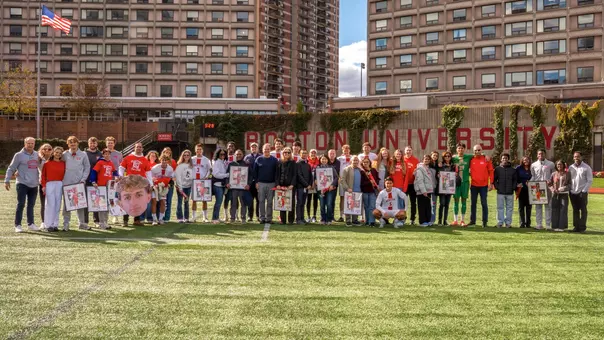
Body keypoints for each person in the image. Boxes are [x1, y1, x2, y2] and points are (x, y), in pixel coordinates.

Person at [5, 137, 41, 232]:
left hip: (34, 184)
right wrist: (7, 180)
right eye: (28, 143)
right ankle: (18, 225)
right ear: (25, 144)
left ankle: (31, 224)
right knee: (21, 204)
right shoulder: (18, 155)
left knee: (31, 205)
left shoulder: (38, 155)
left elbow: (42, 166)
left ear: (34, 144)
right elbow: (11, 168)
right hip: (22, 183)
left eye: (32, 143)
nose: (30, 145)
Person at [119, 142, 153, 226]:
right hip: (129, 183)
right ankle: (125, 220)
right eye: (137, 147)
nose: (138, 148)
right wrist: (121, 177)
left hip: (140, 184)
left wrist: (151, 184)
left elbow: (148, 173)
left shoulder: (145, 160)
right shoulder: (128, 158)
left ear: (142, 149)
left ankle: (136, 220)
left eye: (140, 147)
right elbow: (121, 168)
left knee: (138, 201)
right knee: (127, 201)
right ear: (134, 148)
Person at [62, 136, 91, 231]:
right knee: (67, 205)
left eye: (74, 143)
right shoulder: (64, 154)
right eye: (71, 143)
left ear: (77, 144)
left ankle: (82, 223)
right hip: (66, 184)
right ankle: (66, 224)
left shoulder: (83, 154)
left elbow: (87, 167)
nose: (73, 145)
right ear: (68, 144)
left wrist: (83, 179)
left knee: (80, 204)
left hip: (79, 183)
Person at [90, 148, 118, 230]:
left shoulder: (111, 162)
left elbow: (115, 171)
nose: (107, 155)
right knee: (101, 205)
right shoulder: (100, 162)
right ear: (103, 155)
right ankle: (101, 222)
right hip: (101, 186)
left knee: (107, 205)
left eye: (108, 154)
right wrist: (93, 181)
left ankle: (105, 221)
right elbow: (94, 171)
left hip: (109, 186)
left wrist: (117, 177)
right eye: (105, 154)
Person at [469, 144, 494, 228]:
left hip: (484, 186)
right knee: (473, 203)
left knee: (484, 203)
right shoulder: (471, 159)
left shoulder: (486, 159)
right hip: (473, 185)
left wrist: (491, 183)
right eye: (475, 150)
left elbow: (491, 171)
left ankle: (484, 221)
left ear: (481, 150)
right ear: (473, 151)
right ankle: (472, 221)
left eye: (479, 150)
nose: (477, 152)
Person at [41, 146, 65, 232]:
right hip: (50, 184)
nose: (58, 154)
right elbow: (43, 175)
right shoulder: (47, 163)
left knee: (58, 205)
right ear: (53, 153)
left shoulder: (63, 163)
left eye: (60, 153)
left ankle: (55, 224)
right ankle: (48, 225)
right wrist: (44, 185)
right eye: (56, 152)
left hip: (59, 184)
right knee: (50, 205)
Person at [568, 151, 593, 233]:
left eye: (578, 156)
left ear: (581, 157)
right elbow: (569, 179)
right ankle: (576, 227)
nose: (576, 158)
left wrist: (584, 191)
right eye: (575, 157)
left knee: (583, 210)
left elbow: (589, 181)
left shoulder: (587, 167)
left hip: (582, 192)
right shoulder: (571, 167)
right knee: (575, 210)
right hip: (573, 192)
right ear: (573, 158)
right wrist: (570, 189)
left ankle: (582, 227)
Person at [530, 149, 555, 230]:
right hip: (537, 187)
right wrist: (529, 182)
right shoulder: (533, 165)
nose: (541, 155)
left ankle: (548, 225)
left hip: (547, 187)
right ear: (537, 155)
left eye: (542, 154)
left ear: (545, 154)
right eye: (539, 154)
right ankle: (539, 224)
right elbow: (533, 176)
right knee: (538, 206)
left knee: (548, 206)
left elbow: (554, 175)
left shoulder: (551, 164)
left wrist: (551, 182)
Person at [254, 143, 278, 224]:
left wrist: (276, 183)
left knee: (270, 202)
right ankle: (262, 218)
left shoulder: (274, 160)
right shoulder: (258, 159)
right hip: (261, 183)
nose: (266, 150)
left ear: (270, 150)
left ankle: (269, 218)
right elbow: (255, 172)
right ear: (262, 150)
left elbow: (276, 173)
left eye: (268, 149)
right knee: (261, 201)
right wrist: (256, 182)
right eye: (265, 149)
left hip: (271, 183)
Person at [226, 149, 252, 223]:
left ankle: (243, 218)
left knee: (243, 203)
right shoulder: (231, 164)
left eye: (240, 154)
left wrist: (248, 184)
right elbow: (227, 175)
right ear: (235, 155)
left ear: (243, 155)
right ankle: (232, 218)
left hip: (243, 187)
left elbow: (250, 176)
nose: (238, 156)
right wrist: (227, 183)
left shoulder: (246, 164)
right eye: (237, 154)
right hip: (233, 187)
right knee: (233, 203)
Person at [451, 143, 472, 226]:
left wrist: (485, 156)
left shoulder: (468, 157)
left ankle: (462, 220)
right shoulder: (453, 158)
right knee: (456, 200)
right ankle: (455, 220)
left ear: (464, 149)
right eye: (459, 148)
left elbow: (480, 154)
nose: (460, 150)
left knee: (464, 200)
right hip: (456, 183)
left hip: (465, 182)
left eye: (462, 148)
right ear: (456, 149)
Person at [493, 153, 517, 228]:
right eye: (503, 158)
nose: (504, 160)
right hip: (500, 192)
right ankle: (500, 222)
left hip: (510, 192)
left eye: (506, 158)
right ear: (501, 159)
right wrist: (497, 187)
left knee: (509, 208)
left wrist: (513, 188)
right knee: (500, 207)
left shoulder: (513, 170)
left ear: (508, 159)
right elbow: (494, 180)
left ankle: (508, 223)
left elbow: (515, 180)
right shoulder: (497, 169)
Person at [150, 155, 175, 225]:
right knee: (154, 202)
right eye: (162, 160)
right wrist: (153, 184)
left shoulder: (170, 169)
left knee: (163, 202)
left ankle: (161, 219)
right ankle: (154, 219)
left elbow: (171, 179)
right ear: (160, 160)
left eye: (165, 160)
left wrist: (169, 184)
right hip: (155, 186)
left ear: (167, 161)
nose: (164, 161)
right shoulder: (155, 168)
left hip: (163, 187)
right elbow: (150, 177)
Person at [276, 147, 297, 224]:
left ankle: (291, 220)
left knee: (291, 203)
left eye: (288, 152)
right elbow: (277, 175)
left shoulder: (293, 162)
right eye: (285, 152)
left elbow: (295, 175)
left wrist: (292, 184)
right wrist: (277, 184)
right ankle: (283, 220)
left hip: (290, 186)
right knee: (282, 202)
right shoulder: (279, 162)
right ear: (282, 153)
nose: (286, 154)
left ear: (290, 153)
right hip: (281, 186)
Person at [191, 144, 212, 222]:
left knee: (204, 199)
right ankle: (193, 217)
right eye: (197, 149)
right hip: (194, 181)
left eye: (200, 149)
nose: (199, 151)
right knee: (194, 199)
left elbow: (210, 170)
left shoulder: (206, 160)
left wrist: (206, 177)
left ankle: (205, 217)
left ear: (202, 150)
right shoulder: (192, 159)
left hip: (203, 181)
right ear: (195, 150)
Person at [84, 137, 102, 228]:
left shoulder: (100, 154)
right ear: (88, 144)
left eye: (94, 143)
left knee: (96, 200)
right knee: (85, 201)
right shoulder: (84, 154)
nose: (92, 145)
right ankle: (85, 221)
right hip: (86, 180)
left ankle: (97, 221)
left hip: (96, 181)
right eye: (91, 143)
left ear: (97, 144)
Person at [105, 136, 123, 225]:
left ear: (114, 144)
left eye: (111, 143)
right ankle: (105, 217)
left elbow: (121, 167)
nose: (110, 144)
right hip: (104, 179)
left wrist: (119, 176)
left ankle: (115, 217)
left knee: (115, 198)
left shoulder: (118, 154)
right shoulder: (103, 153)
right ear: (106, 143)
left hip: (115, 180)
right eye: (108, 143)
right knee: (105, 198)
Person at [316, 154, 339, 225]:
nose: (324, 160)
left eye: (325, 159)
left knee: (329, 204)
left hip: (330, 189)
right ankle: (323, 219)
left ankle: (329, 219)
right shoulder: (317, 168)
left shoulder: (331, 168)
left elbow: (336, 177)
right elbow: (315, 178)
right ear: (320, 160)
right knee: (322, 204)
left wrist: (332, 185)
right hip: (321, 190)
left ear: (327, 160)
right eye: (322, 159)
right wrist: (315, 181)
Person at [340, 156, 362, 226]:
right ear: (351, 161)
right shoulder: (346, 169)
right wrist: (347, 188)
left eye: (357, 160)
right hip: (349, 190)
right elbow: (342, 180)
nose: (355, 162)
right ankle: (348, 220)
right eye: (354, 160)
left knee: (356, 205)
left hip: (358, 191)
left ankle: (355, 220)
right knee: (349, 205)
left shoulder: (360, 170)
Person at [550, 160, 571, 232]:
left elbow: (570, 184)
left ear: (563, 165)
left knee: (563, 209)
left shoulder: (568, 174)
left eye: (561, 164)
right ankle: (554, 226)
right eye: (558, 165)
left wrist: (564, 188)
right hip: (555, 194)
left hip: (564, 194)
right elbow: (550, 184)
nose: (559, 166)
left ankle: (562, 227)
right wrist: (553, 189)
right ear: (556, 166)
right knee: (555, 210)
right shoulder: (553, 174)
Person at [437, 151, 456, 226]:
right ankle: (439, 220)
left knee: (447, 204)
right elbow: (437, 174)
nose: (447, 157)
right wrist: (438, 175)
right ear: (443, 157)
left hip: (450, 187)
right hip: (442, 187)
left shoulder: (453, 166)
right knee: (442, 204)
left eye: (449, 156)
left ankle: (445, 220)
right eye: (446, 156)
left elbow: (455, 176)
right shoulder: (440, 165)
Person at [175, 150, 194, 223]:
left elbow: (192, 176)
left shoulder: (191, 165)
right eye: (184, 155)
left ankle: (186, 218)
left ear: (190, 157)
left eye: (188, 155)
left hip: (188, 187)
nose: (186, 156)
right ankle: (180, 218)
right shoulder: (180, 165)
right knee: (179, 202)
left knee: (186, 202)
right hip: (181, 187)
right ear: (182, 156)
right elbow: (178, 177)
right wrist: (180, 188)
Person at [415, 155, 434, 227]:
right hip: (422, 191)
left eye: (428, 159)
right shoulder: (420, 169)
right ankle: (422, 221)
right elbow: (420, 181)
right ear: (422, 160)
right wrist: (423, 191)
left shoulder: (427, 168)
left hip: (428, 190)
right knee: (422, 207)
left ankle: (428, 220)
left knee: (427, 206)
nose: (427, 160)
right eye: (425, 159)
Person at [244, 142, 261, 222]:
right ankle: (250, 216)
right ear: (250, 148)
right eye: (252, 147)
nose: (254, 149)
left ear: (257, 148)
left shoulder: (261, 157)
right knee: (250, 199)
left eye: (255, 147)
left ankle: (258, 215)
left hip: (258, 181)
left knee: (258, 200)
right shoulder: (247, 157)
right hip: (249, 182)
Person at [211, 148, 229, 223]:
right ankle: (214, 218)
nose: (222, 155)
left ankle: (216, 217)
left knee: (219, 201)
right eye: (221, 154)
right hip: (217, 185)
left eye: (224, 154)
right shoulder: (217, 162)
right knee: (218, 202)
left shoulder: (223, 162)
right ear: (218, 154)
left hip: (221, 185)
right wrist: (227, 175)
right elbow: (216, 174)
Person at [360, 157, 380, 227]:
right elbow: (361, 183)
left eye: (367, 162)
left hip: (372, 191)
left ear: (370, 163)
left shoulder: (373, 170)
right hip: (365, 191)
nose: (365, 163)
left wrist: (375, 183)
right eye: (364, 162)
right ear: (362, 163)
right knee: (366, 207)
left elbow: (377, 179)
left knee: (372, 206)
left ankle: (372, 221)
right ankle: (367, 221)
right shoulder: (362, 172)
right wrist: (369, 182)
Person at [403, 146, 419, 225]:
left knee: (413, 202)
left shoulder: (415, 160)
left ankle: (412, 219)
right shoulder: (402, 159)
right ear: (404, 151)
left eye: (409, 150)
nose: (408, 151)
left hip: (413, 184)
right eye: (407, 150)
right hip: (404, 184)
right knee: (404, 202)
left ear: (412, 151)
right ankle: (403, 218)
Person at [295, 150, 313, 225]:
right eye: (303, 153)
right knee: (299, 203)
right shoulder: (298, 164)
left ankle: (302, 218)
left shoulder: (308, 165)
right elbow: (299, 176)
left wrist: (310, 184)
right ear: (300, 154)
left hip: (306, 188)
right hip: (300, 187)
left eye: (306, 153)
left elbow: (310, 176)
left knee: (303, 203)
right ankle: (298, 219)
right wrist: (306, 185)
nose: (304, 154)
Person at [37, 143, 52, 230]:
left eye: (49, 149)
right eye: (45, 149)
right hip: (42, 184)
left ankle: (51, 221)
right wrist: (18, 171)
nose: (47, 150)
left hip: (53, 184)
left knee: (52, 204)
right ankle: (43, 222)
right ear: (41, 150)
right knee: (44, 204)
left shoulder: (55, 158)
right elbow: (28, 165)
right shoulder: (38, 159)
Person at [160, 147, 177, 223]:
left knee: (168, 201)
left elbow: (175, 173)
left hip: (170, 184)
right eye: (165, 151)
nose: (167, 152)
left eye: (168, 151)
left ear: (170, 153)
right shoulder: (159, 161)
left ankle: (166, 218)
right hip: (160, 184)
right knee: (161, 201)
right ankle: (160, 216)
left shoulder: (173, 161)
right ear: (162, 152)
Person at [143, 150, 160, 224]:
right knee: (144, 202)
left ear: (156, 157)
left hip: (155, 185)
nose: (153, 157)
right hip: (145, 185)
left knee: (153, 202)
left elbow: (160, 175)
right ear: (148, 156)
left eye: (154, 156)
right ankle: (142, 218)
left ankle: (150, 218)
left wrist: (155, 180)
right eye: (151, 155)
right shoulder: (145, 164)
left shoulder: (158, 165)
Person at [516, 156, 533, 228]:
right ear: (522, 161)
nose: (526, 161)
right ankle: (522, 223)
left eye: (527, 160)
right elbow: (515, 178)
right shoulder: (518, 168)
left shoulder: (532, 168)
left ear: (529, 160)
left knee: (529, 207)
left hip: (530, 190)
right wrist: (517, 184)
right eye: (524, 160)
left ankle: (528, 223)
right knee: (521, 207)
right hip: (521, 190)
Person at [336, 145, 352, 222]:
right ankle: (341, 215)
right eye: (344, 149)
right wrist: (338, 177)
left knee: (351, 197)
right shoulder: (339, 159)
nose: (346, 150)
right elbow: (336, 169)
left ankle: (351, 214)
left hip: (351, 180)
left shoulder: (353, 157)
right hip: (342, 180)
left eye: (347, 149)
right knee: (342, 197)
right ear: (342, 150)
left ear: (349, 150)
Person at [306, 149, 320, 223]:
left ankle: (314, 216)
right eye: (311, 153)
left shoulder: (319, 162)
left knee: (315, 200)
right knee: (308, 200)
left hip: (316, 184)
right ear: (309, 154)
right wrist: (308, 183)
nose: (313, 154)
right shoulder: (306, 161)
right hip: (308, 184)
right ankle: (308, 216)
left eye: (314, 153)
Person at [327, 149, 341, 222]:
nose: (332, 155)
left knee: (332, 201)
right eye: (330, 153)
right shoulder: (326, 161)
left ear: (335, 154)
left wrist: (333, 185)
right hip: (325, 186)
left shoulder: (338, 162)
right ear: (328, 154)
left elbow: (337, 175)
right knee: (327, 202)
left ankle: (331, 217)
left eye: (333, 153)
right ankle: (327, 217)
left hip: (334, 186)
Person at [429, 151, 440, 225]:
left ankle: (432, 220)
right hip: (427, 187)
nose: (435, 157)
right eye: (433, 155)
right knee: (427, 204)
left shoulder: (439, 165)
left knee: (433, 204)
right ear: (431, 156)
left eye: (436, 156)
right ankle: (426, 219)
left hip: (435, 187)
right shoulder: (427, 164)